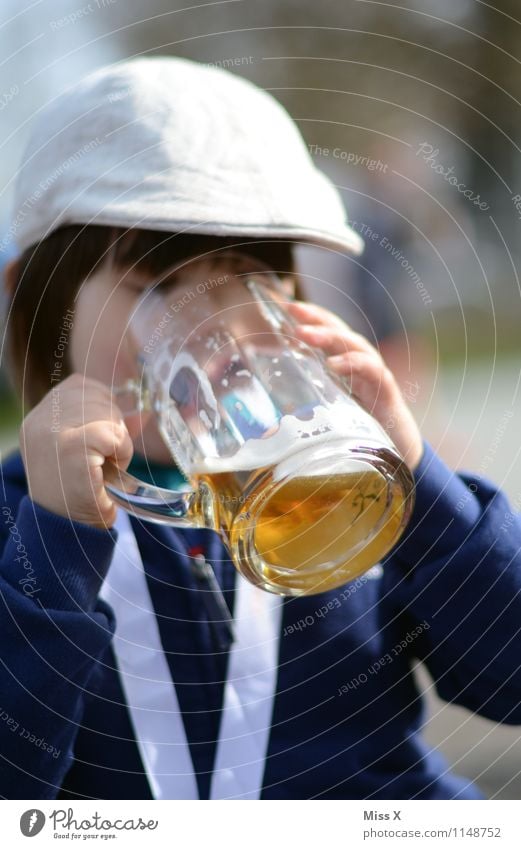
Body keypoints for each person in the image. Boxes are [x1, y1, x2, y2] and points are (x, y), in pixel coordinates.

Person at [1, 56, 520, 801]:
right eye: (156, 285)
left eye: (248, 279)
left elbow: (511, 681)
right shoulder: (21, 526)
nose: (209, 328)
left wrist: (414, 478)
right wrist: (53, 544)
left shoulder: (340, 485)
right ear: (37, 298)